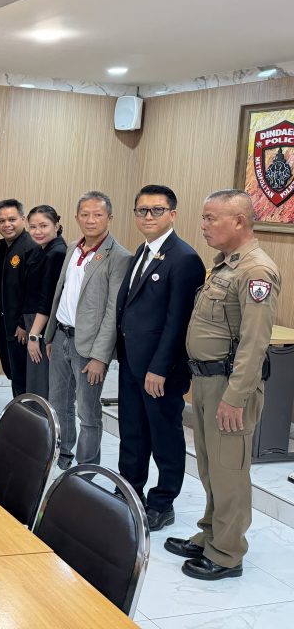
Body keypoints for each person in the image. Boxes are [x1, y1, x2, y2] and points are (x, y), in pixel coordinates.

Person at [167, 190, 280, 581]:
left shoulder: (256, 271)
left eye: (211, 218)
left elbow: (254, 343)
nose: (204, 226)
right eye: (204, 217)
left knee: (229, 471)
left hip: (229, 387)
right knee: (210, 466)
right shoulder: (225, 266)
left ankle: (228, 553)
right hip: (206, 381)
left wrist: (235, 398)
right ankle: (211, 533)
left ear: (239, 221)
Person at [116, 185, 204, 532]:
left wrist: (159, 368)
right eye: (142, 210)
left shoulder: (184, 259)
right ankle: (129, 489)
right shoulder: (143, 250)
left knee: (164, 436)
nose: (148, 216)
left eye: (156, 210)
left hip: (160, 370)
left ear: (173, 214)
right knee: (132, 431)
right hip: (131, 362)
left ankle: (163, 502)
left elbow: (178, 321)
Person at [46, 191, 130, 469]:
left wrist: (100, 357)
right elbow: (60, 294)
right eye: (85, 214)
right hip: (61, 335)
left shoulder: (119, 257)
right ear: (76, 217)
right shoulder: (72, 248)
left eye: (97, 215)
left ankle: (87, 469)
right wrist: (50, 335)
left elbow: (112, 312)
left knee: (88, 412)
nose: (90, 220)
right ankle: (63, 454)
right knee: (59, 403)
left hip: (90, 347)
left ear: (109, 218)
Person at [0, 199, 41, 397]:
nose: (7, 225)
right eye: (1, 221)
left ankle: (25, 414)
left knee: (23, 377)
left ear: (23, 219)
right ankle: (18, 410)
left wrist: (23, 323)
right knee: (12, 372)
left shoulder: (31, 247)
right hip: (4, 323)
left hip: (21, 327)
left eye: (12, 219)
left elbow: (34, 291)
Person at [23, 205, 67, 399]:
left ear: (56, 225)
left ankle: (40, 418)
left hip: (41, 325)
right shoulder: (43, 249)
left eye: (43, 226)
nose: (37, 231)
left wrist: (34, 335)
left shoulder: (56, 252)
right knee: (35, 381)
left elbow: (47, 299)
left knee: (40, 382)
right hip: (34, 322)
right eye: (33, 227)